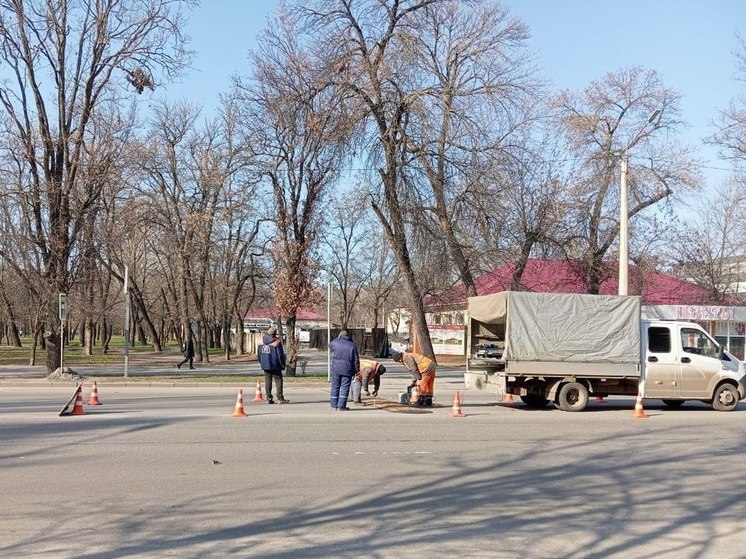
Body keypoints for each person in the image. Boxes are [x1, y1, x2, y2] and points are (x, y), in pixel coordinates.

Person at [328, 330, 359, 411]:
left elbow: (330, 346)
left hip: (336, 368)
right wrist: (356, 371)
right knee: (345, 387)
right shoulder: (352, 345)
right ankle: (341, 406)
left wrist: (337, 339)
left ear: (340, 336)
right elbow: (356, 360)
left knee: (335, 387)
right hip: (348, 369)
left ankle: (334, 406)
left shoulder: (335, 342)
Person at [258, 327, 289, 404]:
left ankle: (269, 398)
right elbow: (280, 355)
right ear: (275, 334)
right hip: (275, 365)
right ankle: (280, 398)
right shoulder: (277, 342)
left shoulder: (262, 341)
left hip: (265, 365)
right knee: (278, 380)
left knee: (267, 381)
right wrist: (282, 365)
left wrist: (262, 363)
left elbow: (258, 354)